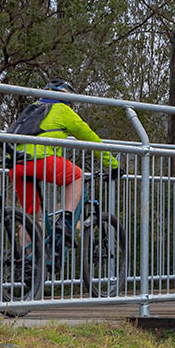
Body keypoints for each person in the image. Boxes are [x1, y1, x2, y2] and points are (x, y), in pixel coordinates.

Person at [10, 79, 120, 233]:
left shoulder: (32, 109)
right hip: (41, 160)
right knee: (77, 175)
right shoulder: (62, 109)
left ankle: (24, 257)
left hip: (17, 164)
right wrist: (114, 165)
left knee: (31, 218)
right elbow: (91, 138)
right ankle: (66, 221)